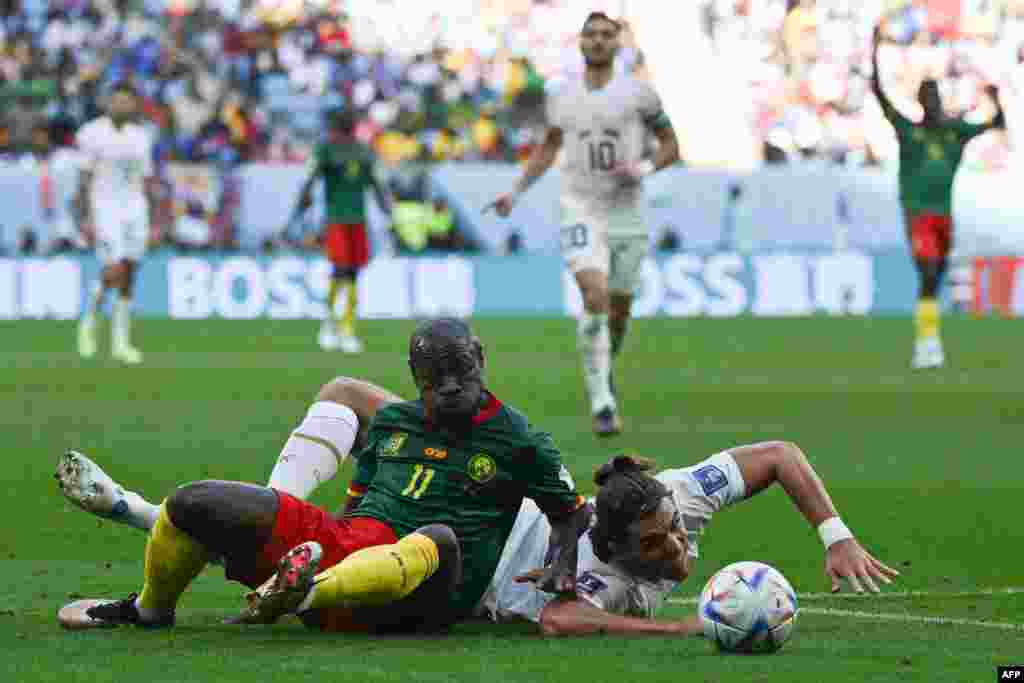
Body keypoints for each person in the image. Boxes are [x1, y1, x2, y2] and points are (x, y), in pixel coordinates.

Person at [58, 371, 896, 636]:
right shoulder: (597, 571)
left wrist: (835, 534)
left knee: (300, 529)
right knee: (349, 394)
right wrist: (676, 626)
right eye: (660, 546)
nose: (678, 550)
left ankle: (144, 512)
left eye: (673, 535)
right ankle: (243, 523)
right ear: (614, 546)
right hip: (457, 555)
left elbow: (779, 454)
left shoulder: (673, 496)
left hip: (457, 522)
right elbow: (565, 621)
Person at [56, 319, 588, 632]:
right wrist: (296, 527)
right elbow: (355, 502)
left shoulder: (520, 441)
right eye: (434, 379)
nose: (450, 387)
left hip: (426, 597)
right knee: (196, 502)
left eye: (460, 373)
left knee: (436, 539)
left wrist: (562, 566)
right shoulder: (396, 422)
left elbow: (571, 512)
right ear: (414, 379)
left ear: (481, 360)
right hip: (352, 551)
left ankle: (300, 592)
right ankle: (150, 610)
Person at [486, 12, 680, 437]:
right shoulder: (561, 96)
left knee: (619, 311)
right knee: (594, 295)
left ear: (617, 43)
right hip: (579, 208)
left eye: (605, 35)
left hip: (627, 211)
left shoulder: (640, 93)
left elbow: (671, 146)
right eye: (590, 34)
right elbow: (548, 148)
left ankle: (604, 367)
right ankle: (602, 401)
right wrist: (515, 190)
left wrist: (644, 167)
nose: (597, 41)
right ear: (580, 42)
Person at [871, 22, 1005, 369]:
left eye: (936, 97)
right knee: (928, 275)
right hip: (918, 214)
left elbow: (996, 123)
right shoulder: (908, 131)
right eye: (927, 97)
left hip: (944, 215)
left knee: (937, 275)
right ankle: (927, 345)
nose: (932, 102)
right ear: (920, 102)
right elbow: (878, 92)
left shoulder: (954, 134)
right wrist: (874, 51)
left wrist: (995, 96)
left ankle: (929, 337)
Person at [286, 109, 392, 353]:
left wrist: (302, 203)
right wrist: (386, 207)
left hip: (349, 220)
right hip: (342, 220)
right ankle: (335, 326)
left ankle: (341, 327)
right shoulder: (348, 151)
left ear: (335, 127)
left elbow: (309, 179)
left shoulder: (335, 150)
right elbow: (378, 184)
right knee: (344, 270)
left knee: (349, 272)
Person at [75, 82, 156, 365]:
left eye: (127, 101)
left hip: (135, 207)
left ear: (133, 105)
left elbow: (147, 179)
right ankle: (89, 320)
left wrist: (154, 216)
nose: (121, 106)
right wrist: (84, 217)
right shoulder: (91, 133)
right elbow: (84, 178)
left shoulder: (141, 137)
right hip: (105, 206)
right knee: (115, 269)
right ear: (109, 103)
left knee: (130, 272)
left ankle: (121, 342)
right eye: (117, 101)